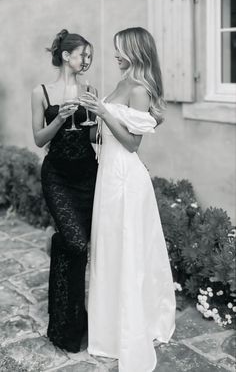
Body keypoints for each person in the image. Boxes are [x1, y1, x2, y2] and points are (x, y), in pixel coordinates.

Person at [80, 27, 176, 371]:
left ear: (135, 51)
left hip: (125, 178)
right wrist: (91, 113)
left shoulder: (139, 89)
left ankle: (132, 327)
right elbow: (105, 132)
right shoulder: (121, 83)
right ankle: (107, 330)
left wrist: (104, 113)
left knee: (128, 249)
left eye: (120, 50)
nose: (115, 55)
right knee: (109, 248)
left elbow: (133, 144)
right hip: (108, 175)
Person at [31, 29, 97, 352]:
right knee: (75, 242)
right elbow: (39, 139)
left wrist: (97, 116)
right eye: (82, 54)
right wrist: (61, 118)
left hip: (87, 175)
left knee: (79, 250)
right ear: (67, 56)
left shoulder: (89, 89)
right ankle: (64, 322)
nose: (86, 60)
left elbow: (95, 136)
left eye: (88, 55)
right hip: (57, 176)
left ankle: (74, 321)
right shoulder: (41, 92)